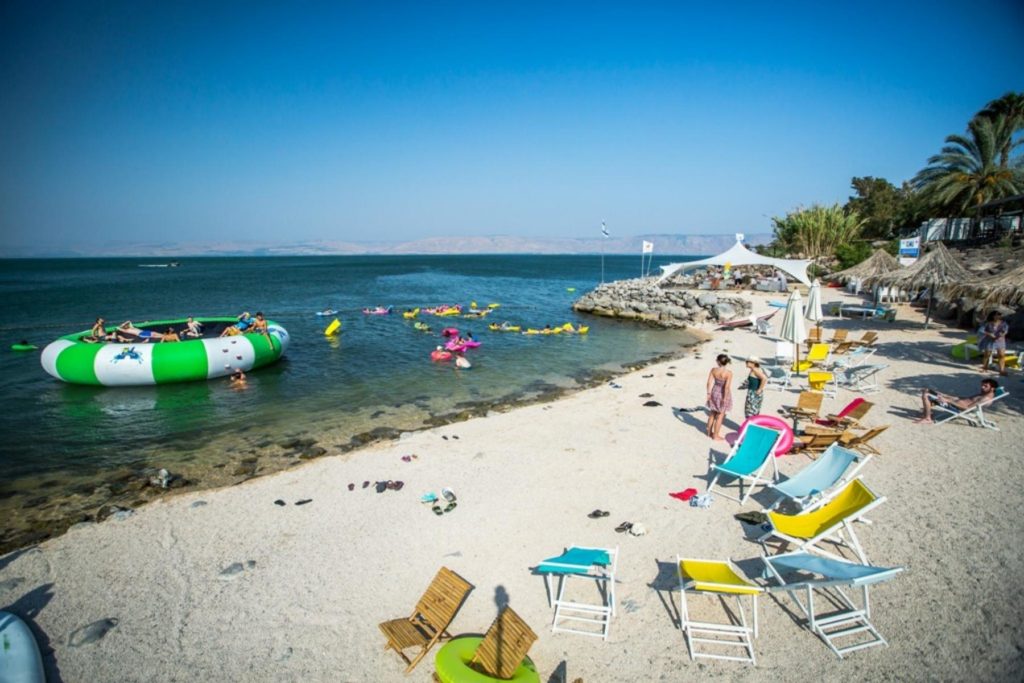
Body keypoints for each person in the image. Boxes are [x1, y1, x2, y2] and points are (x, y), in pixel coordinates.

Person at [913, 379, 999, 424]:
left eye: (985, 386)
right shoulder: (983, 394)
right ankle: (927, 413)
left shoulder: (985, 399)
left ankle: (928, 418)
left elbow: (966, 408)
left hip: (955, 408)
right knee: (927, 391)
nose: (982, 387)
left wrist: (948, 401)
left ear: (992, 388)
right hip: (953, 403)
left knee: (926, 396)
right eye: (982, 385)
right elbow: (965, 399)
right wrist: (946, 396)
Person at [705, 354, 733, 440]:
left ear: (718, 361)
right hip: (722, 393)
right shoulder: (728, 373)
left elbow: (709, 383)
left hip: (714, 391)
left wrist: (709, 393)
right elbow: (727, 387)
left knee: (712, 413)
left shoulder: (713, 370)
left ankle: (709, 432)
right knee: (720, 415)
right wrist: (724, 398)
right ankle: (716, 435)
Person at [979, 311, 1010, 376]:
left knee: (1001, 355)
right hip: (989, 340)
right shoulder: (988, 323)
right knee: (987, 354)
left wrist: (1003, 334)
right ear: (993, 316)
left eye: (1000, 314)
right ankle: (985, 367)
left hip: (1000, 341)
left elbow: (1006, 330)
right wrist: (989, 334)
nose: (999, 316)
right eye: (997, 315)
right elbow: (981, 330)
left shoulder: (1003, 323)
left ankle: (1002, 370)